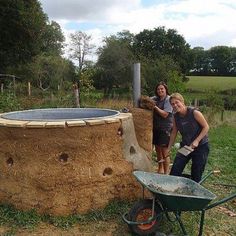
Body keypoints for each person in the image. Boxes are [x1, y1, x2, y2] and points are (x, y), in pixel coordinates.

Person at [167, 93, 209, 182]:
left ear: (182, 102)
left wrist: (197, 140)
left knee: (196, 172)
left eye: (176, 102)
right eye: (172, 104)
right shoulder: (175, 117)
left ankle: (194, 192)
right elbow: (174, 132)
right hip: (187, 146)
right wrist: (169, 148)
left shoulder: (194, 113)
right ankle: (172, 188)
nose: (175, 105)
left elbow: (206, 127)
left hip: (201, 146)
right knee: (176, 168)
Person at [151, 82, 173, 174]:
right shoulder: (156, 99)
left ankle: (166, 172)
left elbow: (165, 114)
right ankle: (160, 169)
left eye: (162, 89)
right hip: (156, 127)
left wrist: (154, 107)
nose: (160, 90)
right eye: (158, 89)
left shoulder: (168, 100)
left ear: (165, 90)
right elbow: (147, 99)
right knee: (158, 150)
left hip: (165, 128)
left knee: (164, 151)